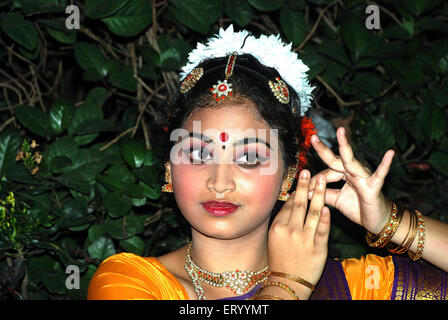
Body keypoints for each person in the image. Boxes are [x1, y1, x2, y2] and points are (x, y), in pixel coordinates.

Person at [87, 25, 448, 300]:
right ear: (168, 169)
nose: (220, 181)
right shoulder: (128, 282)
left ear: (289, 177)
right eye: (198, 153)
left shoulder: (351, 286)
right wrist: (287, 285)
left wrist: (390, 221)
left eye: (249, 158)